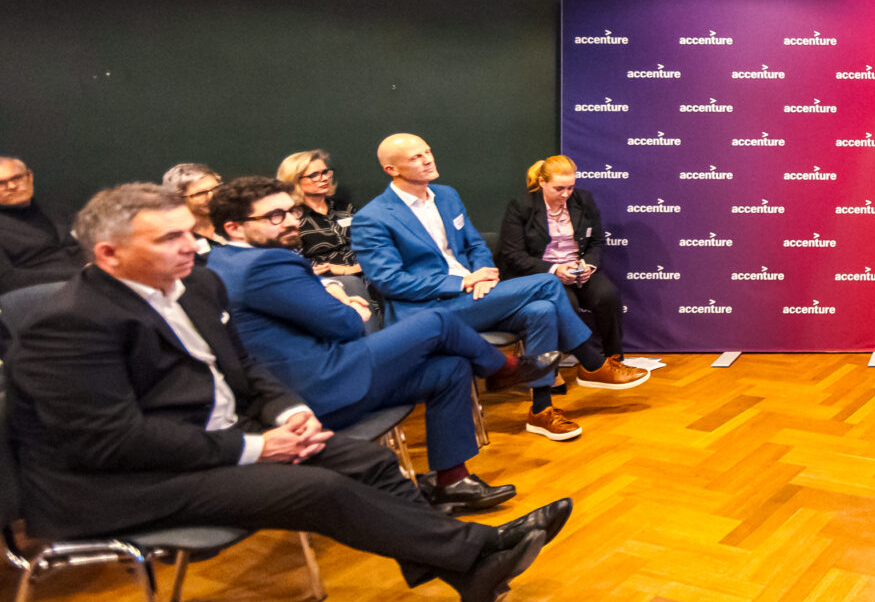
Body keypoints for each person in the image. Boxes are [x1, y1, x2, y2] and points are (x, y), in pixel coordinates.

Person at [4, 183, 572, 602]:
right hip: (126, 481)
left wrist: (289, 411)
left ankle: (470, 570)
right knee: (320, 488)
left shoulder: (196, 284)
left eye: (189, 232)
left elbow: (246, 366)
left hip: (219, 440)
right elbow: (113, 442)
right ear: (109, 254)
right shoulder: (69, 325)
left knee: (371, 462)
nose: (193, 245)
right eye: (168, 239)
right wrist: (256, 447)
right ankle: (482, 548)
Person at [206, 177, 550, 514]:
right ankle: (503, 368)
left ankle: (452, 482)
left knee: (450, 368)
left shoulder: (221, 261)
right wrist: (350, 307)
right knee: (437, 322)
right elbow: (343, 325)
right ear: (234, 227)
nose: (291, 222)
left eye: (291, 211)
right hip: (322, 387)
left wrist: (331, 290)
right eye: (274, 216)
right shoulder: (267, 264)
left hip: (304, 389)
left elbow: (304, 303)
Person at [349, 134, 648, 444]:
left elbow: (475, 244)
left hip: (475, 296)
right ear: (391, 169)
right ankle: (593, 362)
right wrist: (462, 281)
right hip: (429, 312)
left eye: (427, 151)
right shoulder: (373, 218)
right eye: (415, 157)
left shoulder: (447, 195)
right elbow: (390, 281)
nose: (427, 159)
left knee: (541, 310)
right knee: (548, 282)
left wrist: (486, 276)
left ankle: (541, 410)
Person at [498, 156, 625, 363]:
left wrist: (588, 265)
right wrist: (555, 269)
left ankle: (614, 359)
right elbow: (514, 254)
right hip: (542, 274)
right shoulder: (522, 206)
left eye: (570, 188)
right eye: (559, 189)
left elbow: (597, 242)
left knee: (607, 295)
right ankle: (559, 364)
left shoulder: (584, 201)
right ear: (542, 182)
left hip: (578, 268)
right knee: (566, 303)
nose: (565, 194)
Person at [0, 156, 85, 293]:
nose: (12, 186)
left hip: (92, 274)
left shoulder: (56, 208)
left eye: (17, 178)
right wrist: (80, 274)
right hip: (44, 290)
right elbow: (7, 280)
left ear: (29, 177)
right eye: (1, 183)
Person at [276, 149, 364, 275]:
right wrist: (344, 271)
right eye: (314, 175)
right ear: (294, 180)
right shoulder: (290, 218)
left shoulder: (345, 208)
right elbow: (290, 263)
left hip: (365, 270)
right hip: (324, 279)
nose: (324, 178)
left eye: (325, 172)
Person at [163, 163, 225, 259]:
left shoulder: (236, 222)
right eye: (200, 193)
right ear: (177, 198)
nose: (211, 197)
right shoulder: (171, 237)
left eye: (215, 188)